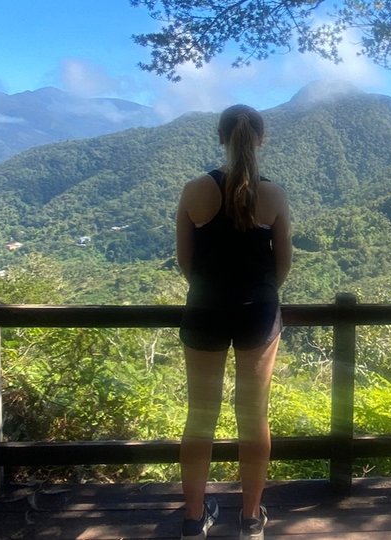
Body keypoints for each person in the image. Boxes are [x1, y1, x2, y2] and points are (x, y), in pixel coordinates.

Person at [176, 104, 292, 540]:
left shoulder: (193, 191)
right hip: (257, 312)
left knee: (199, 417)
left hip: (204, 307)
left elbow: (185, 261)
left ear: (220, 137)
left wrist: (209, 288)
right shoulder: (274, 195)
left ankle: (192, 519)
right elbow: (283, 267)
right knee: (253, 415)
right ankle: (249, 519)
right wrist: (258, 291)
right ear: (260, 139)